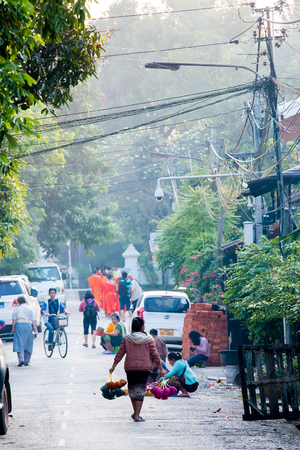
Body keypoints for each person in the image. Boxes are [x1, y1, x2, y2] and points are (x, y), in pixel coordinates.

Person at [109, 317, 164, 422]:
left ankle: (136, 413)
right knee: (140, 390)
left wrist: (113, 366)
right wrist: (160, 368)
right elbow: (155, 355)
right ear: (142, 326)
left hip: (131, 368)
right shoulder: (149, 339)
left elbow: (120, 353)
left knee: (133, 390)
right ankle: (137, 414)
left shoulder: (127, 338)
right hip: (144, 368)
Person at [12, 295, 38, 366]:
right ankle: (27, 360)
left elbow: (14, 319)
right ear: (25, 301)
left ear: (18, 302)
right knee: (28, 342)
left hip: (19, 325)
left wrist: (13, 328)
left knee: (19, 342)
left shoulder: (17, 309)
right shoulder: (29, 309)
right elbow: (33, 319)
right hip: (27, 325)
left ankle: (21, 359)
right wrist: (35, 329)